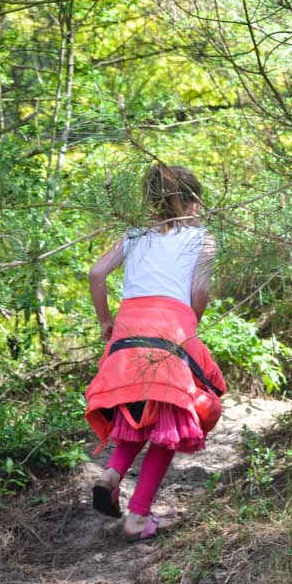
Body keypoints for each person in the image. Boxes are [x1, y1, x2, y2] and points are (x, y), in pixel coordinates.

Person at [84, 164, 226, 541]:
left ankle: (111, 473)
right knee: (172, 423)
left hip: (128, 331)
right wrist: (189, 324)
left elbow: (97, 274)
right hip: (172, 331)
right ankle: (137, 517)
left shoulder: (134, 234)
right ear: (194, 200)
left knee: (137, 411)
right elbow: (199, 293)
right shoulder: (202, 239)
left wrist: (105, 321)